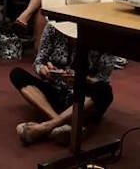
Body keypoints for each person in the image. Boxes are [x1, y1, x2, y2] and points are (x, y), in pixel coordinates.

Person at [10, 15, 113, 145]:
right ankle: (60, 123)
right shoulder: (53, 27)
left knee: (105, 91)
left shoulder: (104, 37)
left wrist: (81, 79)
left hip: (83, 97)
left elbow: (103, 78)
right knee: (17, 74)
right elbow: (39, 61)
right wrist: (43, 70)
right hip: (56, 89)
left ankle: (46, 126)